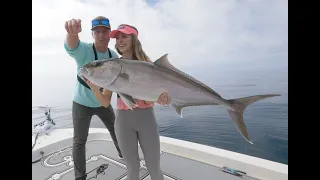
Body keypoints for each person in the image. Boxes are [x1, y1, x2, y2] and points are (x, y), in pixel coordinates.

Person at [84, 24, 170, 180]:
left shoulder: (148, 63)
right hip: (123, 120)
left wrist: (163, 98)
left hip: (146, 119)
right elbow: (105, 102)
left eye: (124, 36)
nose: (119, 40)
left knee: (154, 168)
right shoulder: (113, 66)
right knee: (132, 169)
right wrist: (95, 88)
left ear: (134, 39)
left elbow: (156, 94)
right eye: (117, 37)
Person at [63, 16, 123, 180]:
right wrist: (72, 33)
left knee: (115, 129)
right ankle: (79, 176)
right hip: (81, 102)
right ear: (92, 34)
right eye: (97, 32)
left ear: (110, 34)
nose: (101, 35)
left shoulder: (114, 56)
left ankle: (122, 154)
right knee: (79, 140)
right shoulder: (85, 51)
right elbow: (72, 46)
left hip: (103, 102)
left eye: (105, 31)